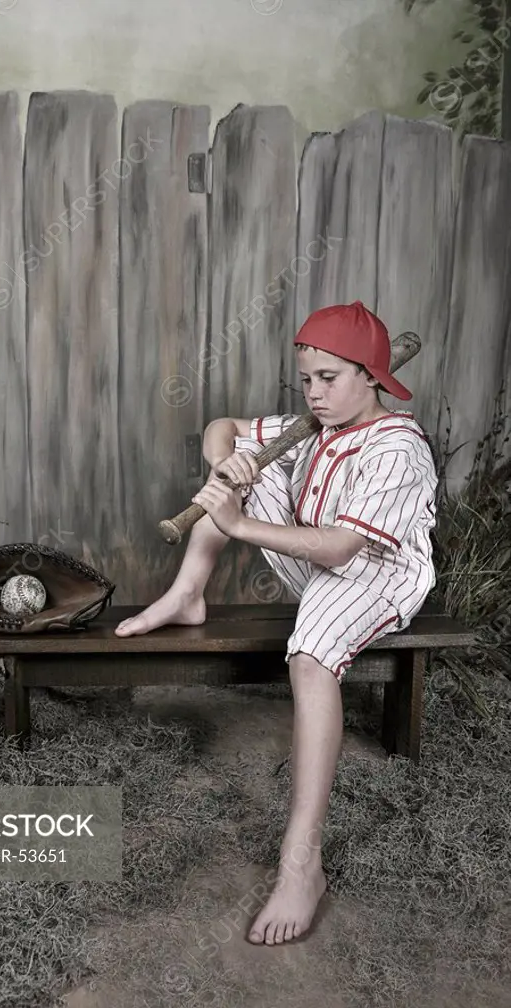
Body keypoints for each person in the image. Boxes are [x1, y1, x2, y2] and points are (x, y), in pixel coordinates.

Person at [115, 300, 438, 945]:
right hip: (316, 557)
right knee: (247, 461)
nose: (315, 394)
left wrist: (233, 519)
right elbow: (221, 424)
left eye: (330, 379)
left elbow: (343, 550)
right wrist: (224, 466)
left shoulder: (397, 447)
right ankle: (187, 595)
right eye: (307, 380)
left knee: (310, 654)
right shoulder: (316, 424)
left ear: (372, 376)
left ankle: (302, 863)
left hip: (377, 571)